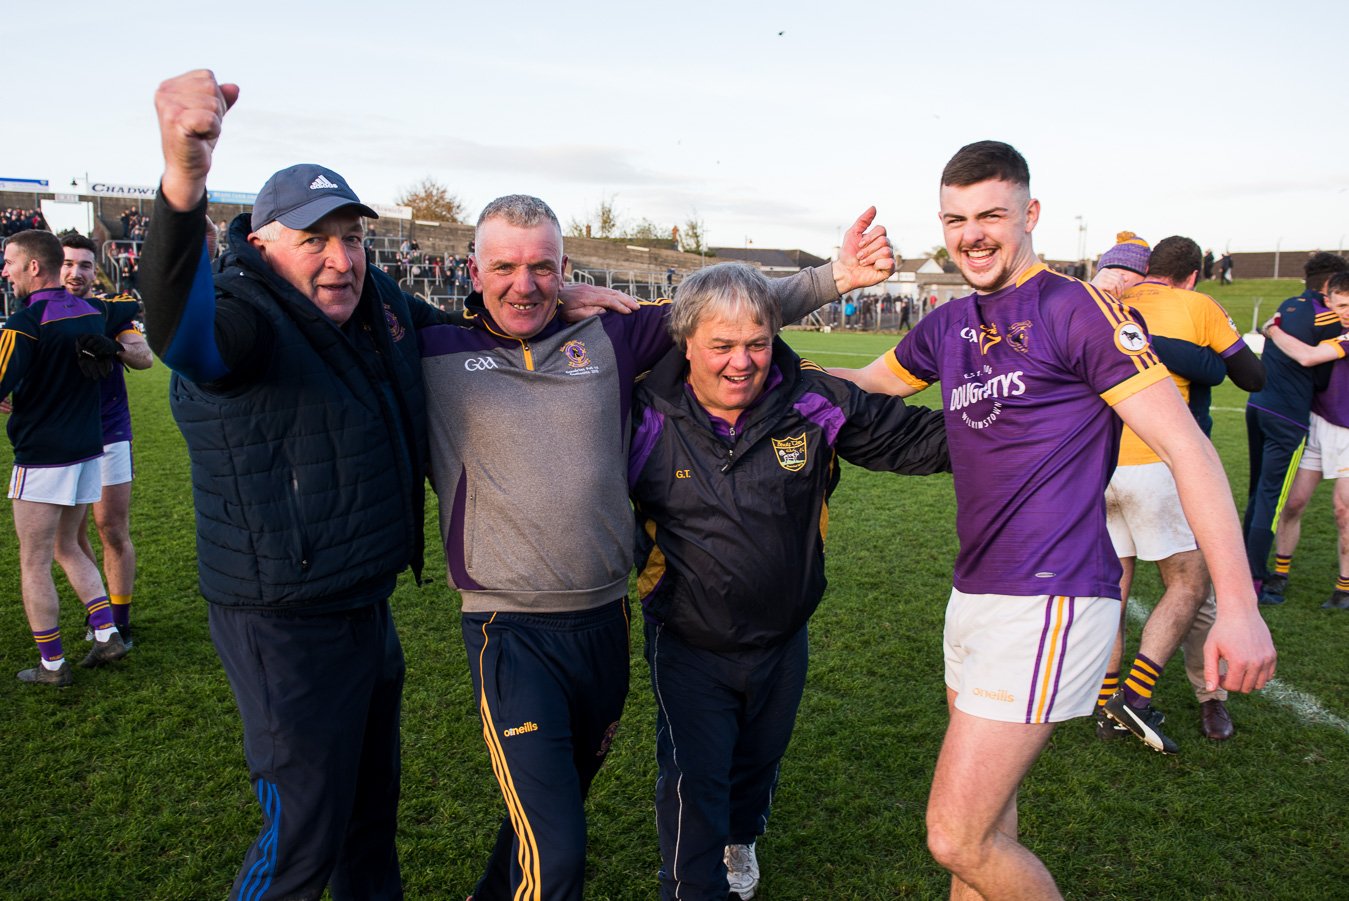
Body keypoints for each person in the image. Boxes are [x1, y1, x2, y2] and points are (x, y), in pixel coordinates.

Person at [830, 141, 1275, 899]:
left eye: (991, 215)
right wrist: (730, 353)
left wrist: (1236, 605)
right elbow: (865, 382)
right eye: (955, 219)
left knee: (953, 833)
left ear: (1028, 215)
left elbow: (1189, 452)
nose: (972, 234)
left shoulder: (1075, 310)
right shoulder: (949, 326)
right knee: (986, 834)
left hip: (1051, 594)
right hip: (973, 592)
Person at [418, 196, 893, 901]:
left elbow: (720, 319)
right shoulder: (433, 348)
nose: (524, 283)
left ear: (565, 266)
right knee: (556, 852)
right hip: (507, 625)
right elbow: (350, 299)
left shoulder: (612, 341)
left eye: (542, 267)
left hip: (605, 620)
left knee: (549, 810)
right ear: (471, 268)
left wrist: (831, 278)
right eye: (504, 267)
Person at [628, 262, 949, 900]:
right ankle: (690, 886)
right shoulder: (638, 412)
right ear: (684, 341)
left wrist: (1033, 420)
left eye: (757, 343)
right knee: (692, 777)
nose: (740, 362)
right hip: (688, 639)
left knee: (758, 757)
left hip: (782, 637)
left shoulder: (812, 399)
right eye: (721, 346)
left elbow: (915, 438)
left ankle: (741, 839)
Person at [1098, 235, 1265, 748]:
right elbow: (1252, 376)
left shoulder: (1109, 305)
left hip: (1100, 466)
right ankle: (1152, 696)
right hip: (1162, 462)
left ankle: (1106, 704)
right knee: (1195, 588)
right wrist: (1198, 356)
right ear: (1193, 274)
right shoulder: (1196, 304)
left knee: (1114, 592)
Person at [1, 229, 134, 685]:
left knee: (34, 560)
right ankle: (106, 633)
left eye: (10, 262)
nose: (5, 271)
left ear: (34, 267)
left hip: (42, 457)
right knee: (68, 546)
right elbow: (129, 317)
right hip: (86, 451)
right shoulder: (94, 313)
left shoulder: (26, 323)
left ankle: (52, 665)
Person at [59, 233, 155, 644]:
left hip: (110, 431)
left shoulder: (111, 312)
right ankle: (98, 612)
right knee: (70, 535)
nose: (75, 272)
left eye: (84, 264)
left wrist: (112, 350)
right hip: (60, 433)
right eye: (67, 263)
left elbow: (144, 357)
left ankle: (120, 620)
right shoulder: (37, 311)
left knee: (110, 526)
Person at [1245, 252, 1348, 602]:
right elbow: (1311, 363)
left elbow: (1303, 354)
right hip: (1301, 420)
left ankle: (1342, 586)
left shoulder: (1302, 314)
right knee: (1281, 501)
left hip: (1335, 429)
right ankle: (1267, 576)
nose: (1344, 309)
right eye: (1341, 302)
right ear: (1328, 294)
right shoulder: (1327, 321)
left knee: (1337, 507)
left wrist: (1271, 329)